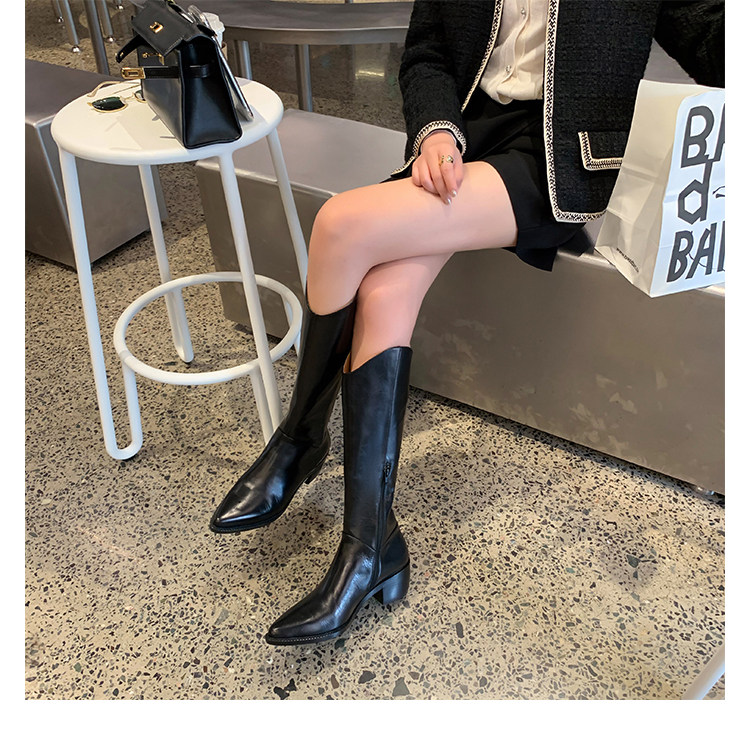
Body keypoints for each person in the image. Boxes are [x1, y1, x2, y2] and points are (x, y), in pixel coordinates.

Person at [210, 0, 725, 646]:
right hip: (467, 135)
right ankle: (370, 546)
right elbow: (427, 50)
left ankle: (299, 438)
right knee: (385, 291)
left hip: (561, 158)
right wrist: (434, 131)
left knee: (340, 225)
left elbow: (713, 35)